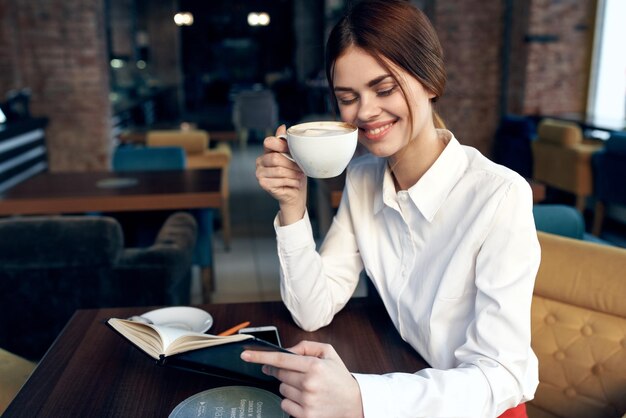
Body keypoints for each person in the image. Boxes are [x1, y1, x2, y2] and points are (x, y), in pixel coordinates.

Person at [244, 0, 540, 417]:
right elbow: (312, 309)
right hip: (407, 376)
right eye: (348, 97)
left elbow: (504, 376)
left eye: (384, 89)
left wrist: (361, 399)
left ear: (430, 80)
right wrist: (293, 205)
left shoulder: (500, 196)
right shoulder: (364, 178)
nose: (365, 112)